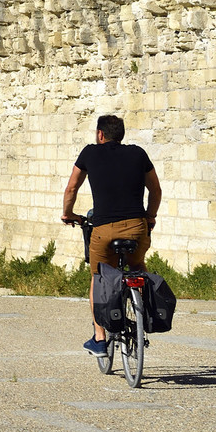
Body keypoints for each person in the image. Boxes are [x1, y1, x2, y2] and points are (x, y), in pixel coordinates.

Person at [60, 114, 162, 355]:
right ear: (122, 134)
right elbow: (155, 189)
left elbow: (72, 188)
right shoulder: (138, 154)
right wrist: (150, 216)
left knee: (99, 277)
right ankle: (147, 309)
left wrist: (68, 214)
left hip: (103, 231)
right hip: (137, 228)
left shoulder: (90, 153)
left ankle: (99, 338)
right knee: (137, 265)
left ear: (100, 134)